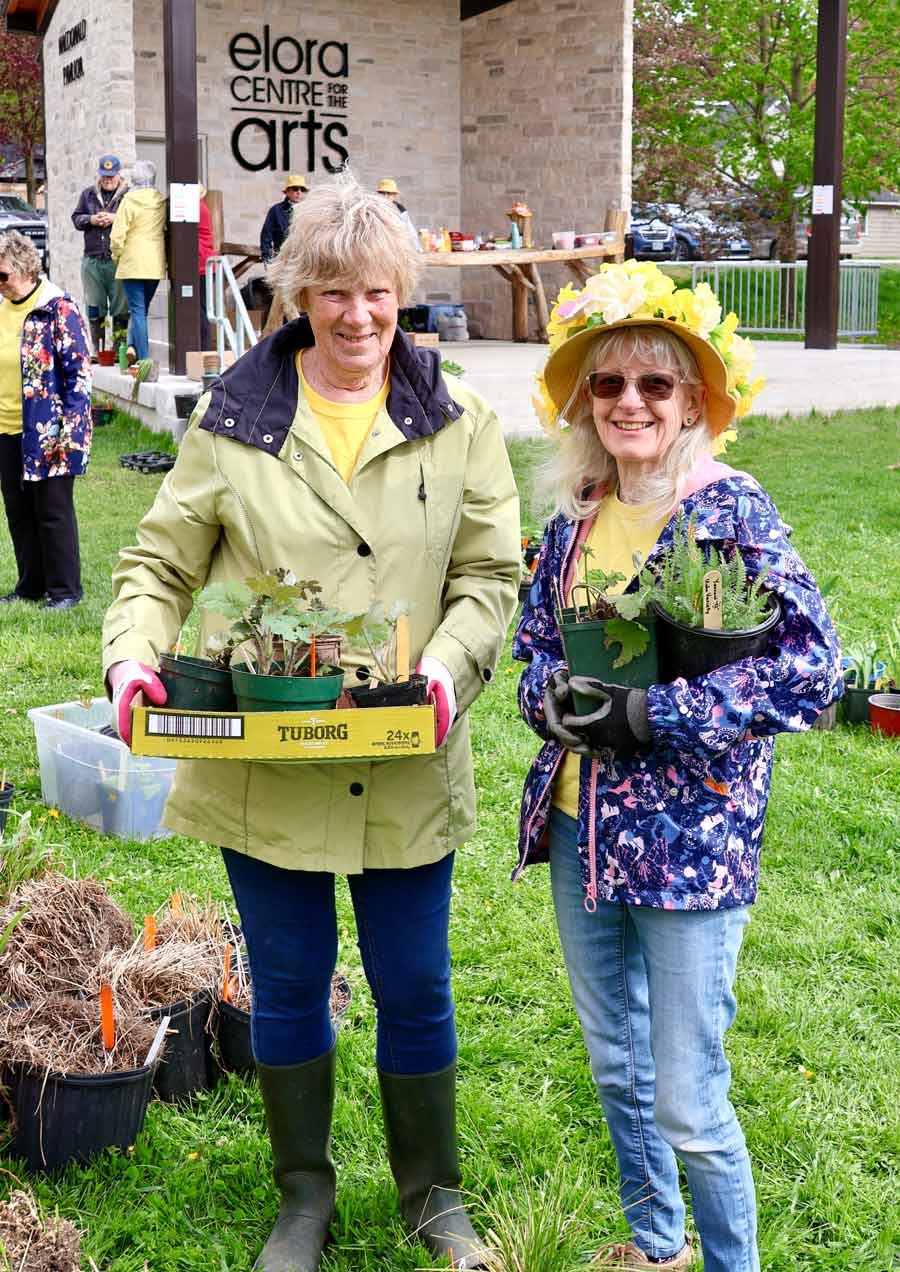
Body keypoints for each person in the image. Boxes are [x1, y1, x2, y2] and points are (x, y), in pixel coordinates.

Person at [102, 172, 520, 1272]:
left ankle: (434, 1196)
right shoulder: (235, 421)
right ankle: (304, 1198)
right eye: (332, 292)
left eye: (377, 293)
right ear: (295, 295)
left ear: (403, 295)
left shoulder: (458, 419)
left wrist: (441, 669)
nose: (358, 317)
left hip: (403, 757)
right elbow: (158, 561)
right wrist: (133, 659)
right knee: (287, 983)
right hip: (268, 765)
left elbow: (489, 576)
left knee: (416, 983)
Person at [514, 261, 842, 1272]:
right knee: (615, 1070)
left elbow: (814, 670)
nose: (630, 403)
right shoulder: (571, 520)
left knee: (688, 1098)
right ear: (585, 403)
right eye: (608, 385)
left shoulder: (733, 512)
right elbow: (532, 652)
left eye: (656, 384)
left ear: (694, 402)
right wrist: (557, 703)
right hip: (582, 829)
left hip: (692, 845)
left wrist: (659, 712)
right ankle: (657, 1249)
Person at [0, 230, 91, 609]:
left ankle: (65, 590)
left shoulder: (58, 309)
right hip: (6, 429)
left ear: (23, 268)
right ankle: (31, 584)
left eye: (1, 275)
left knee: (52, 512)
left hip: (49, 430)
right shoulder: (1, 308)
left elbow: (79, 376)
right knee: (18, 511)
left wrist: (68, 432)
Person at [70, 154, 130, 358]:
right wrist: (92, 219)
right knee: (94, 304)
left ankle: (118, 350)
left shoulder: (128, 195)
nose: (108, 181)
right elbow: (76, 218)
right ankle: (98, 349)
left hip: (117, 259)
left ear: (118, 175)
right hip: (92, 259)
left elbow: (136, 221)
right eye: (105, 177)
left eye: (111, 177)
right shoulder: (88, 195)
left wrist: (115, 218)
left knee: (121, 305)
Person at [110, 159, 167, 363]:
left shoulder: (129, 200)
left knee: (137, 310)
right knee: (142, 309)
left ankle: (144, 359)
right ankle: (133, 345)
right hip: (155, 263)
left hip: (133, 262)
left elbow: (117, 236)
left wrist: (116, 255)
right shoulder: (161, 200)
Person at [260, 174, 307, 263]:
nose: (299, 192)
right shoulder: (276, 210)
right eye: (295, 188)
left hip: (303, 260)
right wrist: (267, 256)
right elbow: (266, 235)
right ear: (287, 192)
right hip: (282, 259)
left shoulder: (308, 211)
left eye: (302, 189)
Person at [376, 177, 421, 252]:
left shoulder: (400, 210)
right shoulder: (373, 209)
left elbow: (410, 230)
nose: (385, 196)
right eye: (383, 193)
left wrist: (418, 250)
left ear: (394, 195)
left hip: (396, 249)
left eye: (389, 193)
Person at [198, 185, 215, 351]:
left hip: (201, 264)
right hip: (204, 263)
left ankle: (204, 349)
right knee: (202, 310)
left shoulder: (197, 207)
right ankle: (204, 348)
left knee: (201, 311)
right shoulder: (202, 206)